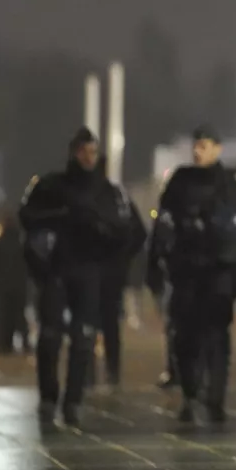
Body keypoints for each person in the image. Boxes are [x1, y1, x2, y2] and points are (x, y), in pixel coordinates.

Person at [146, 125, 236, 424]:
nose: (199, 151)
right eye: (197, 145)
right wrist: (155, 268)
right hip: (185, 271)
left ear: (218, 148)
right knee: (185, 336)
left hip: (220, 274)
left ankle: (215, 397)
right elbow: (162, 228)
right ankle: (190, 392)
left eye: (206, 145)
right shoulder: (180, 182)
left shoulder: (234, 182)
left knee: (217, 337)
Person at [19, 127, 128, 425]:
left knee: (83, 338)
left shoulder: (107, 191)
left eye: (93, 151)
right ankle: (48, 396)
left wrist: (98, 229)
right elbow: (27, 218)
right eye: (83, 151)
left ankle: (74, 399)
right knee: (50, 337)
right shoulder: (50, 186)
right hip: (56, 269)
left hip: (89, 270)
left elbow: (122, 231)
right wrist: (63, 216)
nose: (88, 157)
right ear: (73, 152)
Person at [87, 153, 147, 389]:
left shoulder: (80, 196)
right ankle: (113, 372)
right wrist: (122, 259)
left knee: (86, 323)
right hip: (112, 272)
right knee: (110, 325)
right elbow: (139, 232)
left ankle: (88, 375)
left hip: (88, 270)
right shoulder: (119, 196)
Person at [0, 216, 30, 355]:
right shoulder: (22, 246)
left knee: (2, 317)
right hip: (19, 288)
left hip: (1, 288)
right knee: (19, 317)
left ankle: (2, 345)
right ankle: (25, 344)